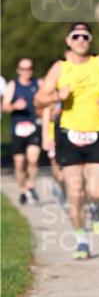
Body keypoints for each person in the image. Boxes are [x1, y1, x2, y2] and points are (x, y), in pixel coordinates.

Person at [36, 23, 99, 258]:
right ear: (68, 41)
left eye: (86, 36)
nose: (81, 40)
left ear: (90, 41)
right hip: (68, 134)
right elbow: (39, 99)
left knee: (97, 190)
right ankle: (81, 240)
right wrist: (56, 96)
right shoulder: (59, 68)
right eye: (76, 36)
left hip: (98, 133)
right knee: (75, 191)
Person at [2, 58, 42, 204]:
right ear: (18, 70)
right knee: (19, 163)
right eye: (23, 69)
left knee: (33, 159)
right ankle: (23, 189)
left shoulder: (38, 83)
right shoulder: (13, 85)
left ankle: (31, 184)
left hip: (34, 127)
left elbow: (47, 101)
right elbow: (4, 106)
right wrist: (14, 106)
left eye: (29, 68)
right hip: (18, 129)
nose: (27, 71)